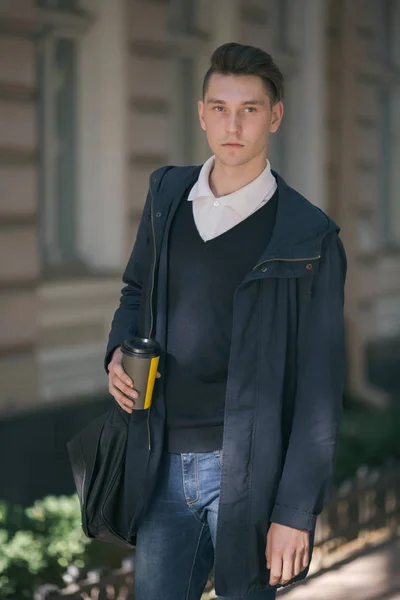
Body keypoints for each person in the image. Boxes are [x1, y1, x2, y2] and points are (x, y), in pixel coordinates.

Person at [105, 43, 347, 600]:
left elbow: (319, 387)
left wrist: (294, 511)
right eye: (219, 108)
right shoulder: (166, 194)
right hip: (160, 459)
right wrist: (119, 348)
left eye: (250, 109)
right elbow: (135, 289)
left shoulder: (309, 237)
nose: (231, 125)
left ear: (276, 116)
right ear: (201, 113)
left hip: (248, 472)